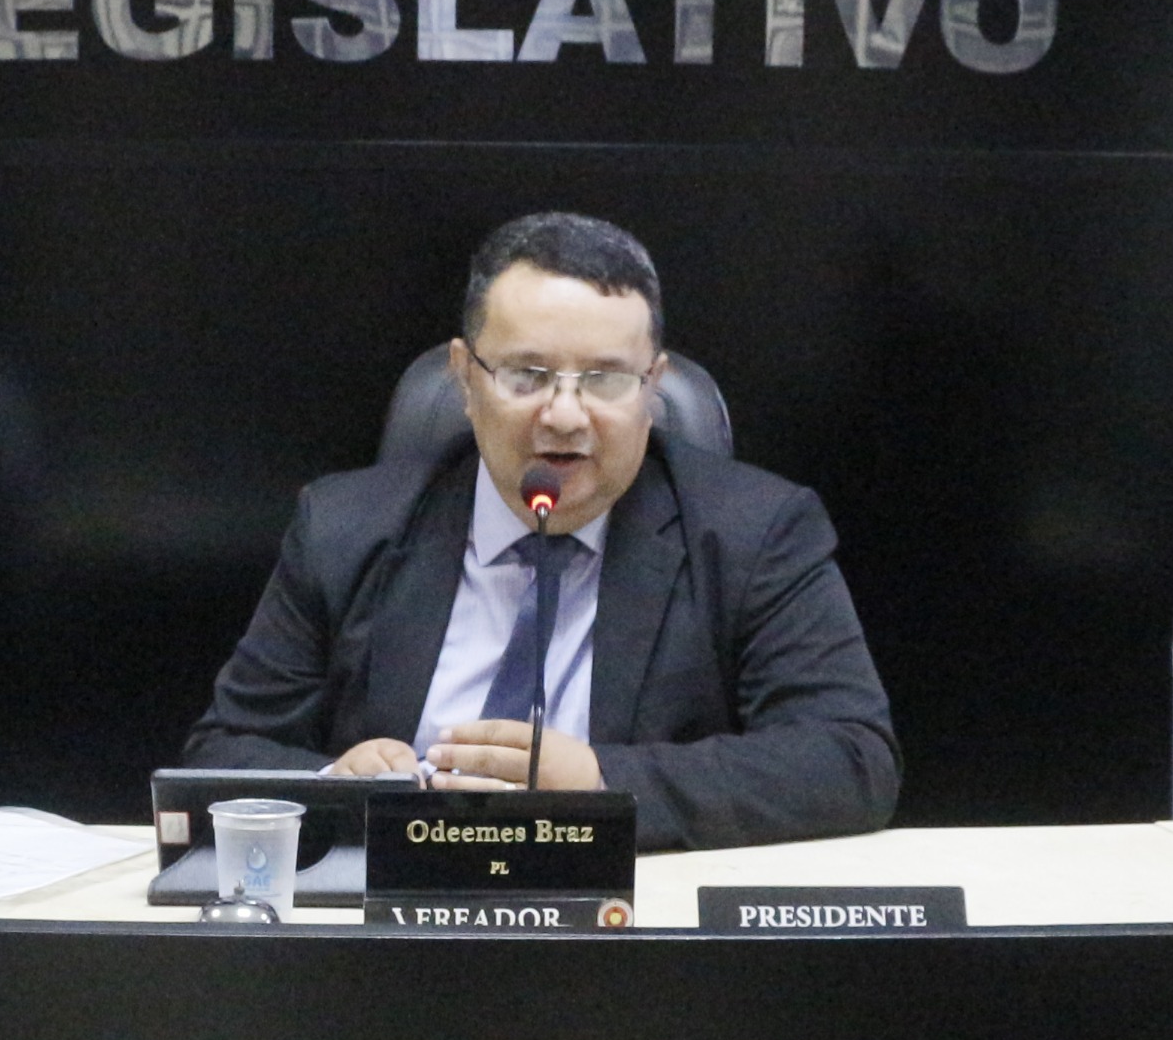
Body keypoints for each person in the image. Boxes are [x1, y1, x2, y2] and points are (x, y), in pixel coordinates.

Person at [185, 212, 898, 852]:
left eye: (606, 379)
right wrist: (333, 786)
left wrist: (600, 784)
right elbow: (221, 751)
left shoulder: (755, 532)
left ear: (653, 386)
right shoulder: (344, 528)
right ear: (465, 379)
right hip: (396, 921)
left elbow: (850, 758)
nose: (564, 415)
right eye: (528, 375)